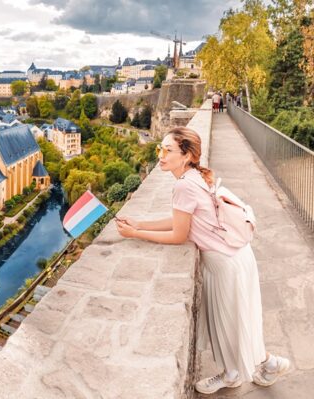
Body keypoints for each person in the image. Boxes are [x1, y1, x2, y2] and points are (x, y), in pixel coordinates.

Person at [115, 127, 290, 395]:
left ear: (186, 156)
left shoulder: (183, 185)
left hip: (225, 264)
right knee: (239, 322)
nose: (160, 155)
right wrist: (140, 222)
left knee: (232, 324)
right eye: (159, 148)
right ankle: (255, 368)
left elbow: (179, 234)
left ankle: (255, 368)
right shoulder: (196, 175)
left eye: (167, 150)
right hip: (236, 256)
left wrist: (135, 233)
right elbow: (181, 220)